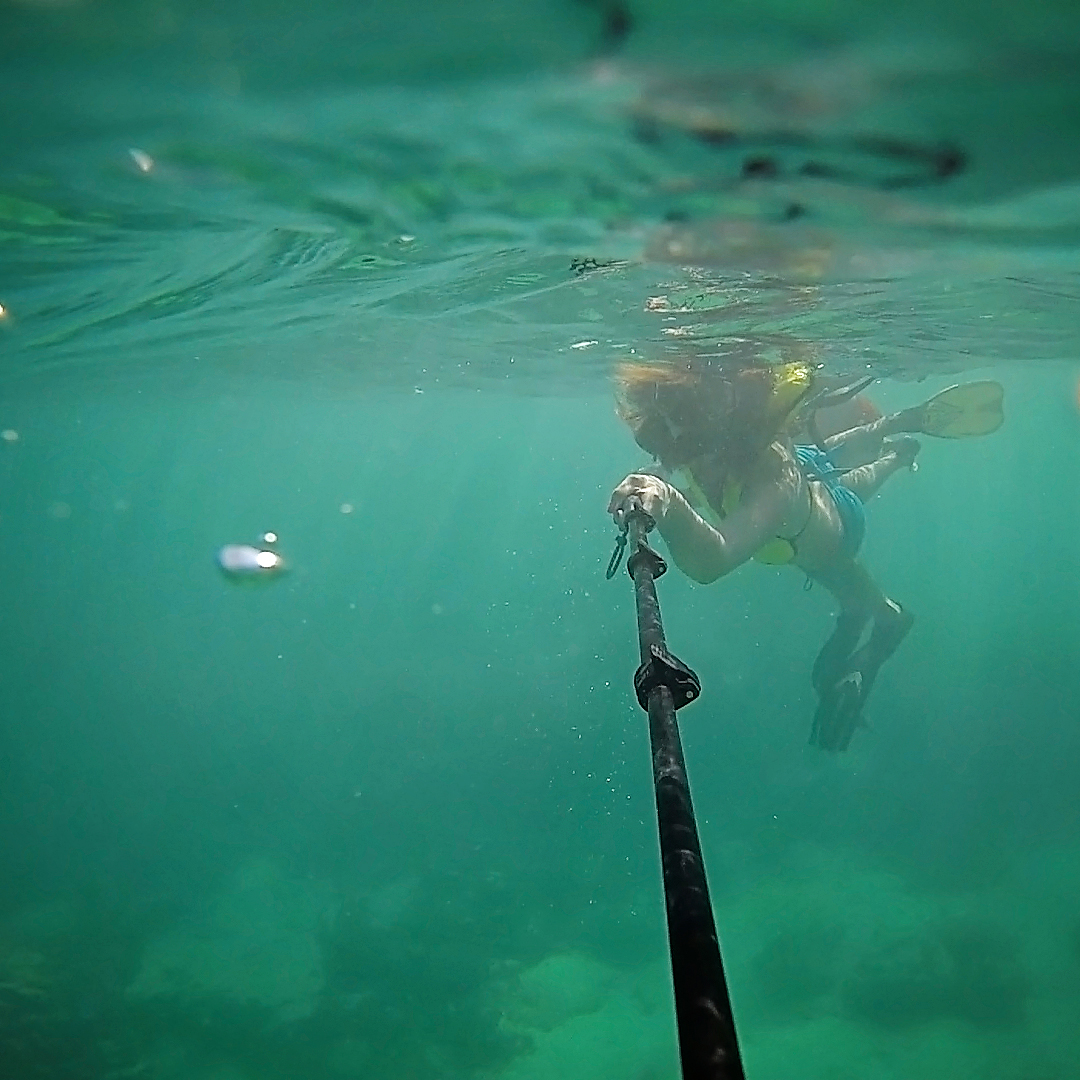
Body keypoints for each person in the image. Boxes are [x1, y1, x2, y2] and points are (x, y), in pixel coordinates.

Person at [607, 359, 1003, 751]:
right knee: (830, 462)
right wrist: (660, 493)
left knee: (851, 492)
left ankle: (896, 456)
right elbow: (701, 487)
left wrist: (669, 501)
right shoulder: (702, 444)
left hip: (835, 532)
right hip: (808, 484)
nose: (676, 444)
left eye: (684, 425)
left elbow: (712, 560)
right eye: (665, 431)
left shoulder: (770, 479)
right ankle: (899, 435)